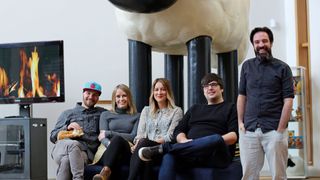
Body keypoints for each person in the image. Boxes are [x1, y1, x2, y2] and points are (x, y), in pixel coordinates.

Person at [138, 73, 238, 180]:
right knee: (169, 156)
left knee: (216, 138)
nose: (210, 88)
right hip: (190, 152)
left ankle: (166, 148)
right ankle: (166, 149)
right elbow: (179, 130)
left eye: (213, 84)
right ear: (203, 90)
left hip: (215, 153)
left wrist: (206, 142)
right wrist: (184, 141)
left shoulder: (231, 107)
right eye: (206, 86)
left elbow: (233, 136)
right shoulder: (194, 109)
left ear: (221, 89)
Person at [237, 26, 294, 180]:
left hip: (274, 130)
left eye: (264, 41)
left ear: (271, 43)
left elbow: (288, 100)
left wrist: (280, 130)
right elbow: (242, 96)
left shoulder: (283, 68)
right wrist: (240, 123)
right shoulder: (246, 66)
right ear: (253, 45)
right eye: (257, 42)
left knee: (279, 176)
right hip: (249, 130)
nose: (261, 44)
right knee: (248, 175)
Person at [128, 78, 183, 180]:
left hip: (162, 149)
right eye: (156, 89)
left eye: (163, 89)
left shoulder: (176, 111)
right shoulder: (146, 110)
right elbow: (140, 134)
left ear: (168, 92)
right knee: (145, 154)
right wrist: (137, 144)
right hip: (144, 149)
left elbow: (171, 136)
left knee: (144, 145)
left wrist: (147, 143)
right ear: (153, 92)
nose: (159, 92)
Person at [50, 81, 106, 180]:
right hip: (62, 148)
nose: (91, 97)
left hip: (84, 153)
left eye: (95, 95)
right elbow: (53, 136)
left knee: (67, 161)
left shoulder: (102, 113)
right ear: (83, 93)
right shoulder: (67, 113)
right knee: (73, 144)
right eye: (88, 93)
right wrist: (67, 128)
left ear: (98, 97)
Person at [92, 84, 140, 180]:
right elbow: (102, 137)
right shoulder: (105, 115)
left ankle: (105, 173)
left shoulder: (137, 116)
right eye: (118, 96)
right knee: (116, 148)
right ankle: (106, 171)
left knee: (117, 139)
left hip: (127, 150)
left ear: (129, 97)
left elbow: (133, 136)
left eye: (124, 96)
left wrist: (110, 133)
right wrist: (112, 145)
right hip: (106, 150)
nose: (121, 99)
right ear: (114, 99)